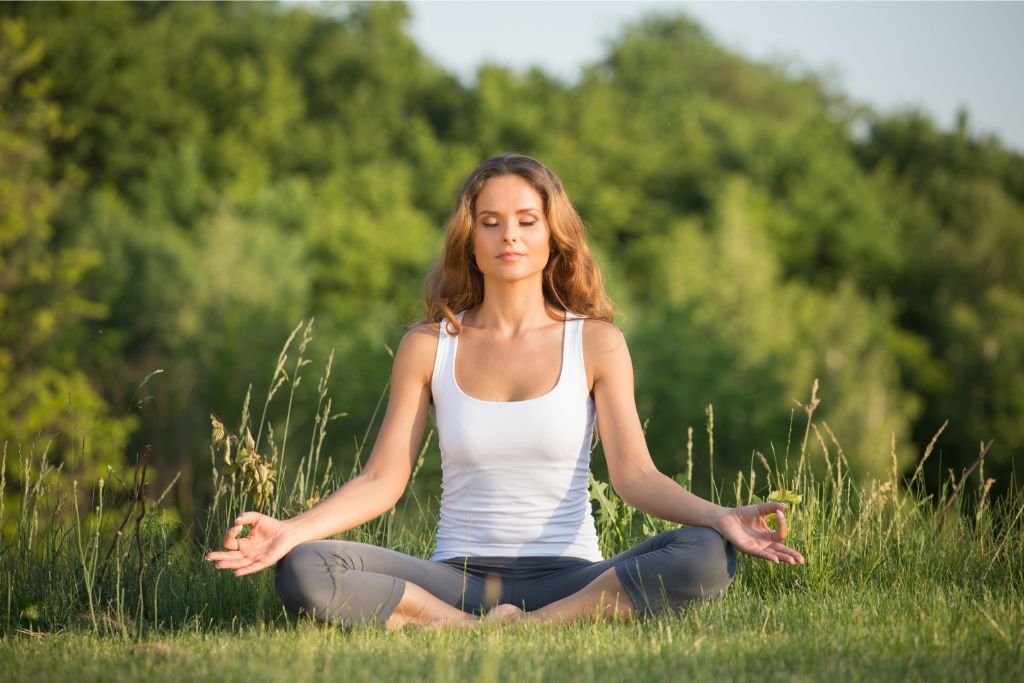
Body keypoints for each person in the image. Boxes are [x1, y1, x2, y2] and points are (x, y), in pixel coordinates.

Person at [206, 153, 805, 630]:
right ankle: (464, 629)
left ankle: (538, 625)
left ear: (553, 236)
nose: (508, 236)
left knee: (704, 554)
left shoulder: (596, 344)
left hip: (574, 577)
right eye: (490, 223)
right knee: (305, 568)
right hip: (457, 580)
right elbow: (382, 482)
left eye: (526, 221)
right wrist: (293, 529)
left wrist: (722, 517)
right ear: (470, 239)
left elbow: (636, 478)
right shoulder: (428, 346)